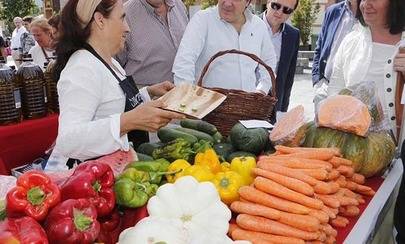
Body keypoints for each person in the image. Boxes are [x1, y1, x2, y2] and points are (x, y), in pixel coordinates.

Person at [47, 0, 184, 171]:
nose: (128, 28)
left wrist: (147, 93)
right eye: (122, 18)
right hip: (98, 180)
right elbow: (68, 141)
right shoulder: (82, 68)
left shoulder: (110, 62)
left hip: (125, 173)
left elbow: (112, 104)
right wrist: (128, 121)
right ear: (100, 20)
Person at [325, 0, 404, 241]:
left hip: (401, 155)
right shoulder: (352, 40)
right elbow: (334, 93)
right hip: (354, 159)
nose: (365, 4)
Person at [172, 0, 277, 94]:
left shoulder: (259, 26)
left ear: (248, 2)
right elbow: (183, 63)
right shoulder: (202, 20)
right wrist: (188, 98)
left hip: (247, 112)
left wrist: (262, 90)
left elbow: (269, 61)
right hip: (207, 111)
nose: (227, 3)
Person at [116, 0, 188, 86]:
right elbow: (114, 66)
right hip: (146, 96)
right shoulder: (125, 14)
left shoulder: (179, 5)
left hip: (183, 91)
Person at [312, 0, 358, 106]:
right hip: (325, 87)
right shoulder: (333, 11)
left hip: (352, 93)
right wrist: (317, 82)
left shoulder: (369, 12)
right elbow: (320, 46)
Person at [262, 0, 300, 113]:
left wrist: (282, 111)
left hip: (273, 102)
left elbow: (288, 78)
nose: (279, 12)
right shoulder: (248, 24)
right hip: (245, 98)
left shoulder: (293, 35)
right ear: (268, 2)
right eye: (276, 6)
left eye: (286, 10)